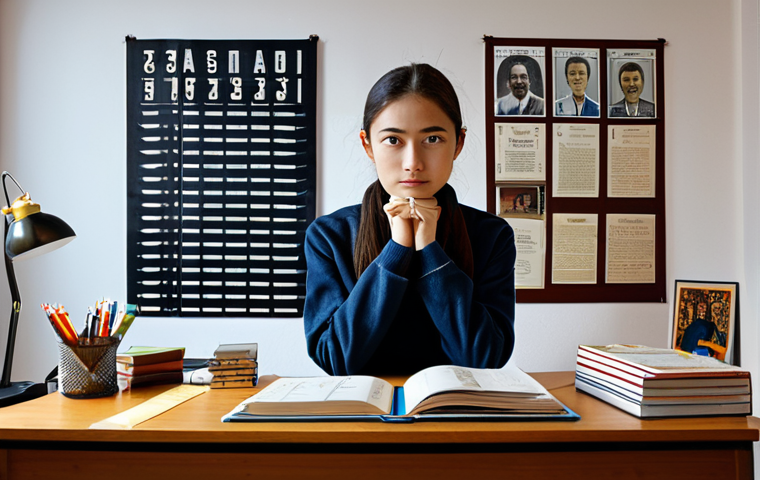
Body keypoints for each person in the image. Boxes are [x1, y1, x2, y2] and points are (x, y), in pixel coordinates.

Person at [304, 64, 517, 376]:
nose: (412, 163)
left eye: (432, 139)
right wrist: (397, 249)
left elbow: (486, 357)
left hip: (458, 417)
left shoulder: (492, 235)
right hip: (363, 419)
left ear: (458, 143)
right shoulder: (329, 236)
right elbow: (334, 358)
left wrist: (429, 248)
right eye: (393, 140)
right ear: (368, 145)